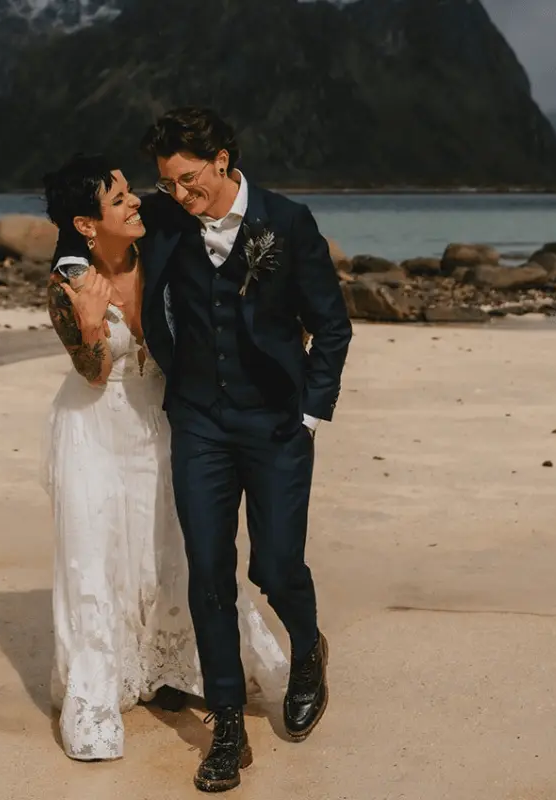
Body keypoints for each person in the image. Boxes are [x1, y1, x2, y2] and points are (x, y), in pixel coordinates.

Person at [51, 108, 353, 792]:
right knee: (208, 573)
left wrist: (309, 413)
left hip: (277, 421)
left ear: (221, 159)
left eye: (189, 181)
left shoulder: (288, 222)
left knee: (275, 566)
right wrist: (72, 273)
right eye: (167, 184)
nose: (179, 197)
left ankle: (307, 649)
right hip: (197, 424)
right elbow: (86, 233)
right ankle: (227, 726)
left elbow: (332, 326)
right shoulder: (165, 218)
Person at [38, 153, 289, 765]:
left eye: (128, 190)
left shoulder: (159, 248)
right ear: (86, 223)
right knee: (98, 551)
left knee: (172, 542)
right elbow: (94, 375)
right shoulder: (68, 283)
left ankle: (174, 667)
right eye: (117, 197)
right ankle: (101, 686)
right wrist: (94, 328)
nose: (134, 202)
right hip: (94, 428)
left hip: (163, 420)